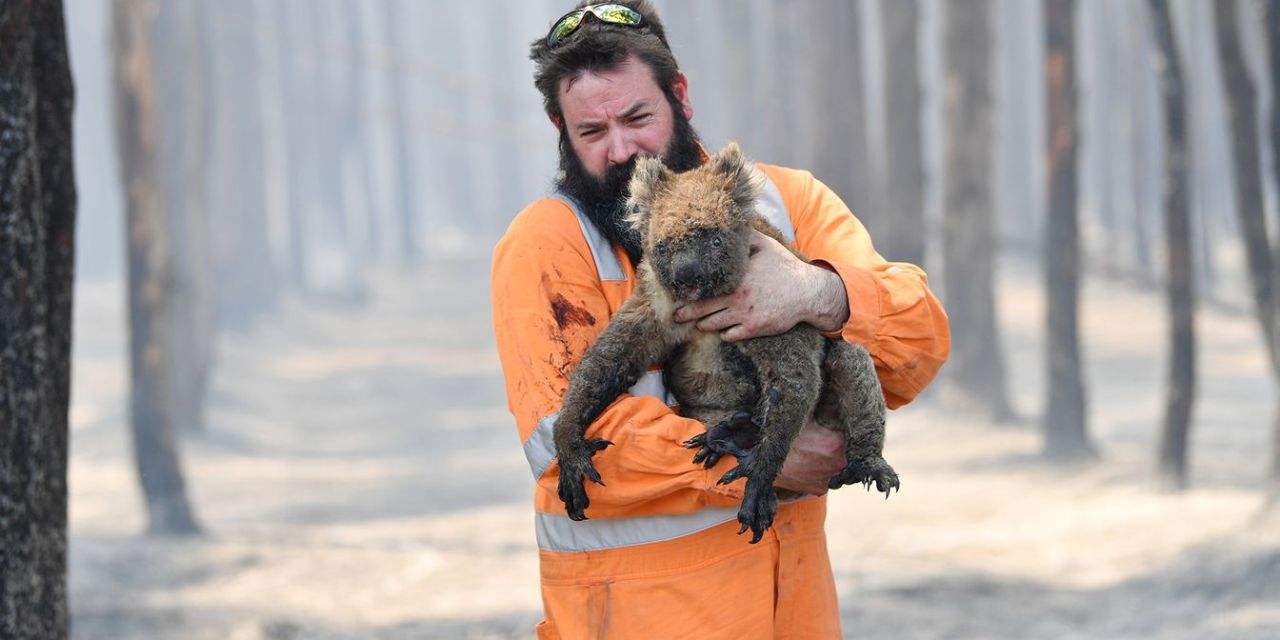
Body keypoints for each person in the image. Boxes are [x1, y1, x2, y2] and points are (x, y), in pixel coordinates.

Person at [490, 2, 950, 637]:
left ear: (679, 95)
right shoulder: (547, 244)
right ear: (559, 129)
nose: (621, 150)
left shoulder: (784, 202)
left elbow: (920, 343)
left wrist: (817, 292)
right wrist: (760, 461)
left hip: (795, 617)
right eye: (591, 132)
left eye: (636, 118)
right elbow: (559, 438)